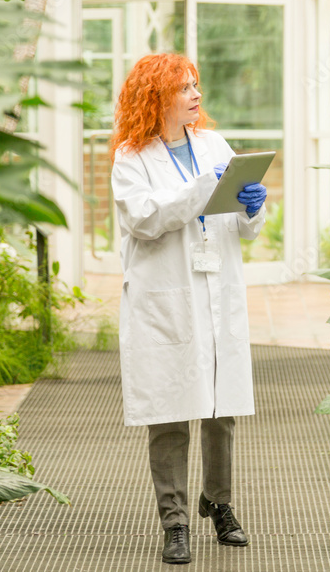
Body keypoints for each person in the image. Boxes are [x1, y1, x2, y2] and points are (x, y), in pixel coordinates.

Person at [109, 52, 268, 565]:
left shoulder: (213, 145)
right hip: (166, 299)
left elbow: (238, 227)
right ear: (157, 98)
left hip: (215, 290)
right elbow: (145, 219)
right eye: (185, 88)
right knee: (171, 412)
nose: (197, 95)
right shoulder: (131, 159)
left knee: (222, 409)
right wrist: (203, 188)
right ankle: (174, 520)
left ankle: (218, 502)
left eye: (197, 85)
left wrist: (252, 205)